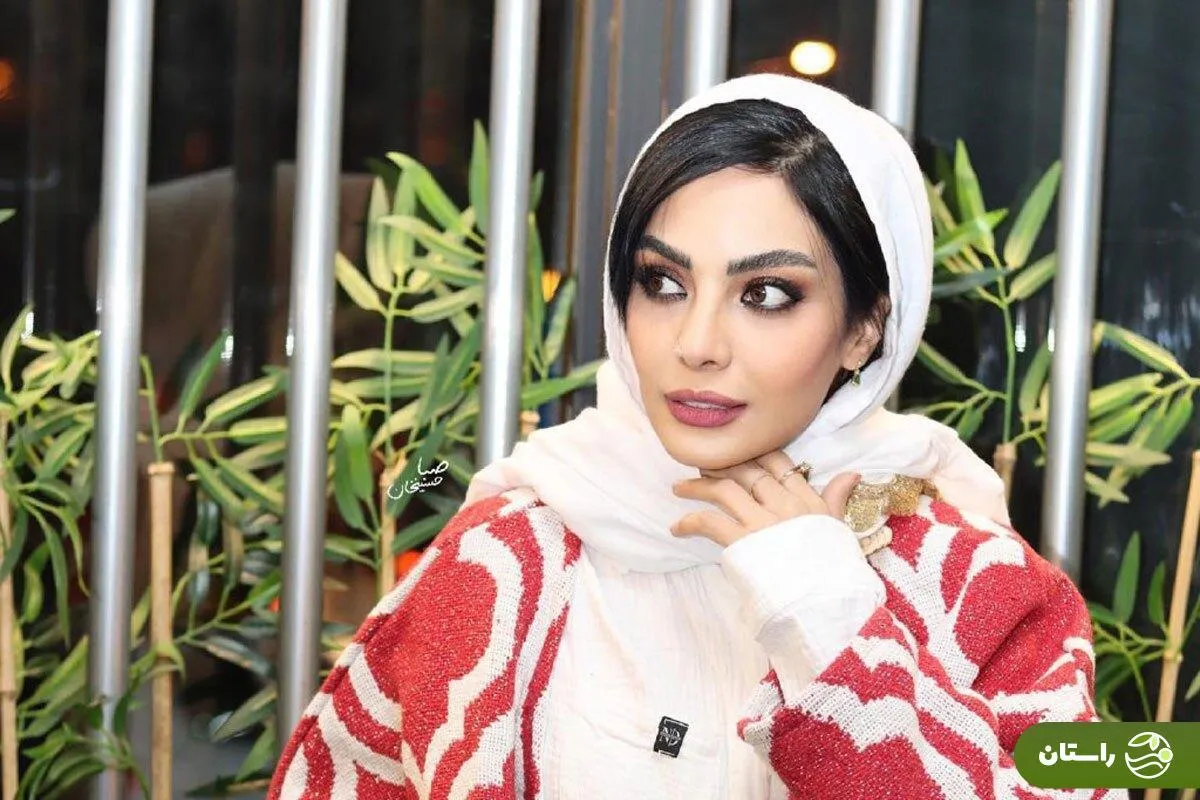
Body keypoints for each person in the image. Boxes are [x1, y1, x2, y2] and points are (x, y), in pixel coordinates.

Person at [267, 75, 1124, 799]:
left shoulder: (977, 581)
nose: (697, 343)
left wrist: (827, 615)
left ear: (865, 328)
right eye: (663, 282)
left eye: (767, 294)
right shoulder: (504, 558)